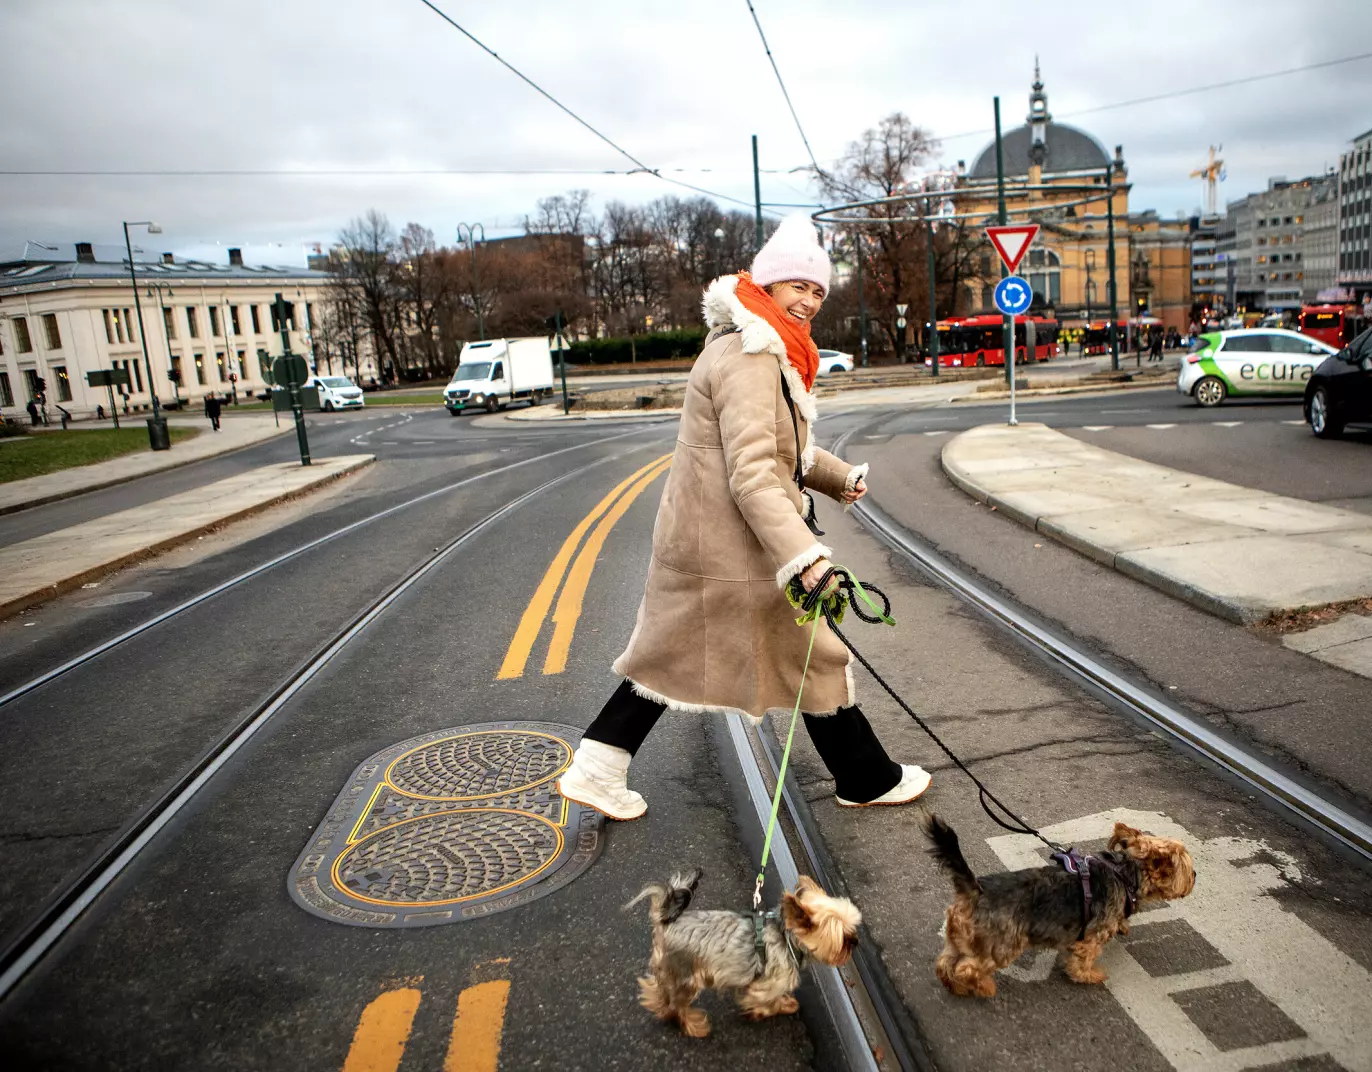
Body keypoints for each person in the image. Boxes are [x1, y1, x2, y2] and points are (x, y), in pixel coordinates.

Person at [557, 214, 932, 821]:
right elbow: (754, 471)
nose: (809, 300)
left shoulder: (754, 345)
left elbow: (782, 451)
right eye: (798, 287)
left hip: (716, 544)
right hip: (735, 548)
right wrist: (805, 558)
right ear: (768, 285)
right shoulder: (755, 355)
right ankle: (865, 778)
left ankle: (598, 768)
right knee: (808, 654)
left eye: (817, 290)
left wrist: (838, 479)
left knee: (675, 656)